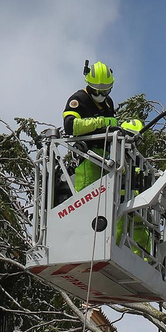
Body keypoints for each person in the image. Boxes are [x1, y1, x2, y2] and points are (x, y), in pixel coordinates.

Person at [62, 61, 150, 252]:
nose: (101, 96)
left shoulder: (108, 103)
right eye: (97, 92)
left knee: (111, 208)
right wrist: (103, 121)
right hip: (88, 159)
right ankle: (86, 248)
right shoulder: (78, 99)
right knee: (88, 205)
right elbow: (70, 126)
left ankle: (112, 248)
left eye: (106, 91)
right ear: (89, 85)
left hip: (108, 160)